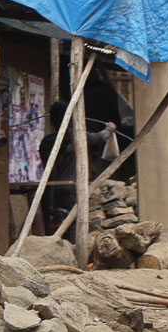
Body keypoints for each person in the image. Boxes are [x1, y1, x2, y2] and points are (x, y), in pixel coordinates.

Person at [38, 101, 116, 241]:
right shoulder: (77, 137)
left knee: (52, 228)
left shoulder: (47, 142)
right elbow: (100, 137)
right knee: (72, 228)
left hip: (49, 191)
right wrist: (110, 128)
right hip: (70, 190)